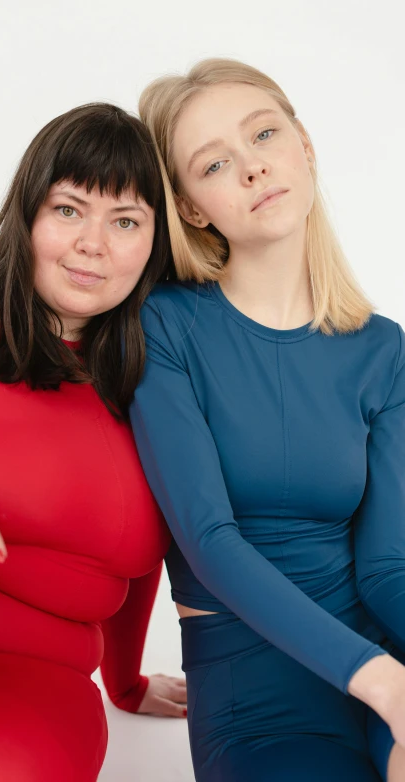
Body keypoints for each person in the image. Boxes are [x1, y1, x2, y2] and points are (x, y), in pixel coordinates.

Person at [0, 103, 187, 782]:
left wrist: (126, 680)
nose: (92, 244)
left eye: (126, 221)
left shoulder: (158, 379)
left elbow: (139, 562)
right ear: (28, 214)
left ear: (155, 243)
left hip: (20, 674)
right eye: (69, 209)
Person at [131, 58, 405, 781]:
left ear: (304, 147)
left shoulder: (382, 347)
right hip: (255, 676)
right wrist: (378, 678)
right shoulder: (164, 327)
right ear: (191, 207)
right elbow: (209, 544)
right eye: (216, 162)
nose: (252, 168)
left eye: (264, 135)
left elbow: (385, 566)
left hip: (384, 658)